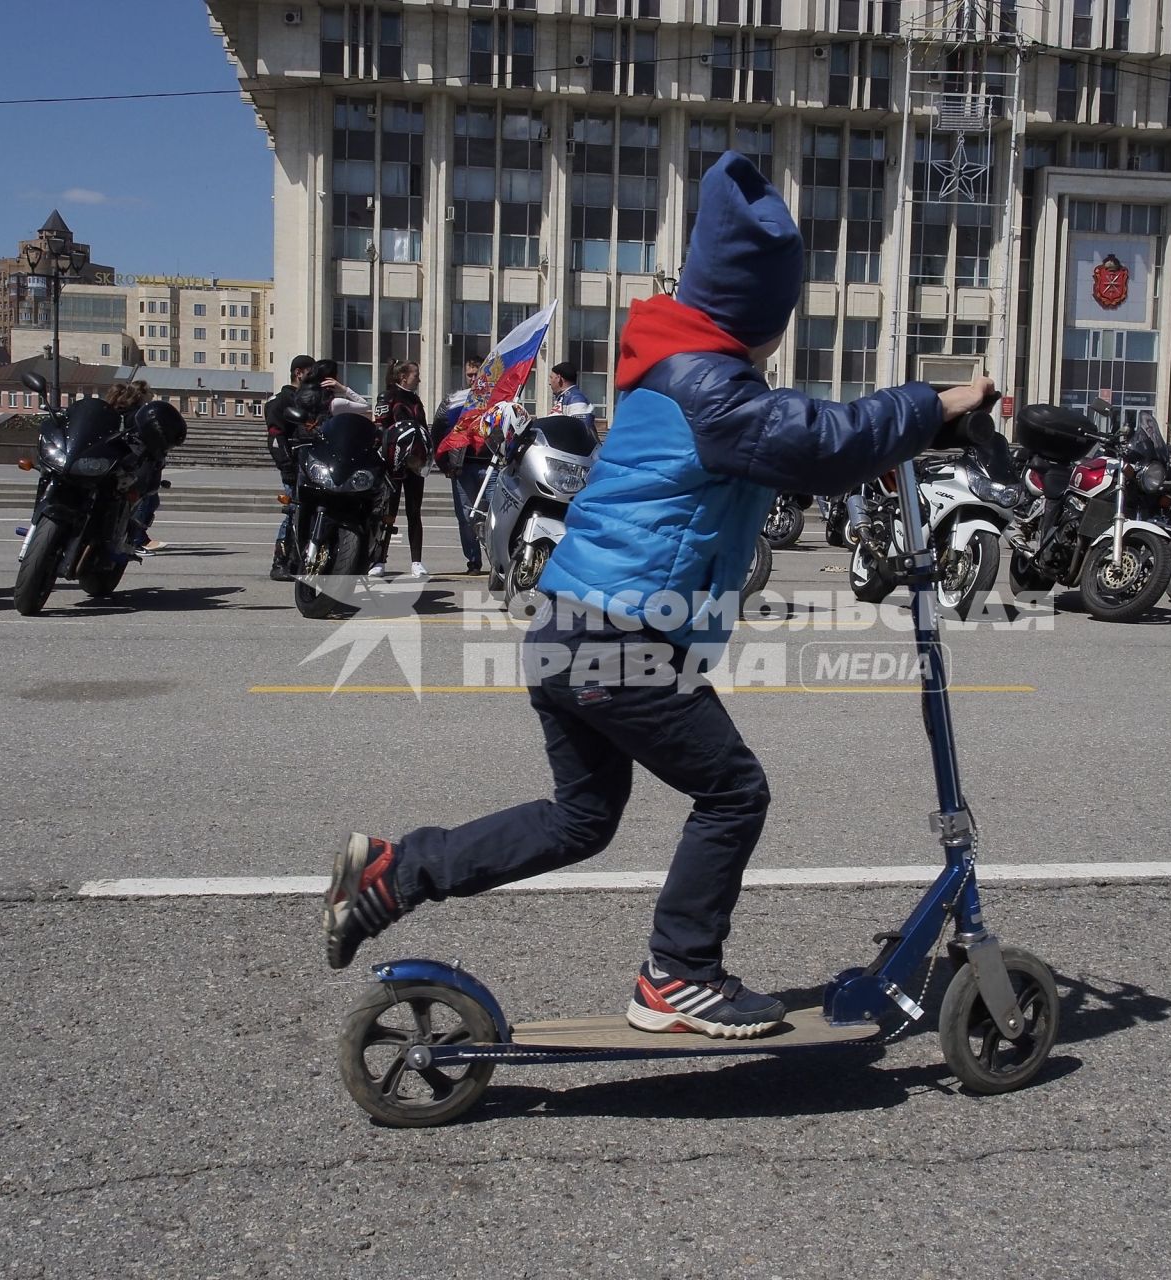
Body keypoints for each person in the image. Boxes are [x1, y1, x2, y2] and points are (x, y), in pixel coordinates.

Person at [323, 152, 998, 1039]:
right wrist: (931, 403)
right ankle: (677, 975)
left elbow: (801, 436)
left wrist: (906, 427)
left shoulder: (677, 370)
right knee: (733, 793)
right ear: (757, 307)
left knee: (581, 819)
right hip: (620, 637)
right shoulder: (712, 388)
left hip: (574, 625)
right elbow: (818, 438)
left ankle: (397, 872)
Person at [372, 358, 430, 578]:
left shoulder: (415, 399)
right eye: (416, 374)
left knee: (414, 512)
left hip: (415, 464)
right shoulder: (387, 397)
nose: (419, 378)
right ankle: (379, 560)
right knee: (388, 513)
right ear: (403, 377)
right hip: (393, 463)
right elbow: (380, 428)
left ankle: (417, 562)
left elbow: (422, 428)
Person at [433, 356, 490, 574]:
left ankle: (498, 561)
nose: (474, 378)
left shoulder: (498, 397)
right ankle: (474, 561)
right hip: (462, 467)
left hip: (492, 466)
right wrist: (443, 463)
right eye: (470, 374)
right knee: (466, 518)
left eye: (477, 374)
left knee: (495, 517)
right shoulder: (454, 400)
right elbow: (437, 432)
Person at [265, 355, 316, 581]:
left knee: (312, 514)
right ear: (299, 372)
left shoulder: (311, 398)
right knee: (292, 513)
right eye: (311, 372)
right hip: (294, 466)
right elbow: (276, 437)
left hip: (315, 467)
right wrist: (286, 465)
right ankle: (280, 562)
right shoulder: (282, 400)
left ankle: (301, 559)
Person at [106, 380, 168, 552]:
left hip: (125, 461)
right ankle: (136, 539)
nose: (152, 394)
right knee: (145, 499)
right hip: (133, 463)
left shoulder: (119, 412)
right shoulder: (135, 414)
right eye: (149, 391)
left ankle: (135, 537)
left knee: (147, 499)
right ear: (140, 394)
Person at [549, 361, 596, 432]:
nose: (549, 383)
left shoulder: (576, 399)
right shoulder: (565, 397)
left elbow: (580, 431)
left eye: (551, 378)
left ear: (558, 378)